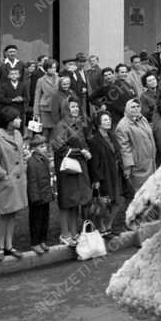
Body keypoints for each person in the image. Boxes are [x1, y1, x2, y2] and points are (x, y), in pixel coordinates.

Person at [0, 107, 27, 260]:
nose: (20, 121)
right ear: (9, 122)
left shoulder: (18, 134)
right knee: (2, 215)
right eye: (17, 118)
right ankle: (0, 247)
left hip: (17, 182)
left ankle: (9, 245)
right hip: (5, 183)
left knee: (12, 213)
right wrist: (4, 176)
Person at [50, 99, 93, 245]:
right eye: (72, 107)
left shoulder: (79, 124)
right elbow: (58, 147)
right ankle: (65, 233)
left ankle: (74, 233)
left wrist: (86, 151)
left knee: (76, 199)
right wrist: (79, 152)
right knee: (67, 200)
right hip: (66, 167)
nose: (75, 109)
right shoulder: (61, 126)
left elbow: (84, 142)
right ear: (65, 109)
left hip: (79, 166)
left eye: (76, 106)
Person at [87, 109, 125, 236]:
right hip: (104, 175)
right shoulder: (94, 140)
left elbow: (117, 153)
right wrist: (96, 179)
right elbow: (94, 162)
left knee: (116, 201)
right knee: (104, 202)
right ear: (98, 123)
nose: (108, 122)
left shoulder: (112, 136)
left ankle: (108, 225)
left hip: (114, 173)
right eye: (105, 120)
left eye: (109, 120)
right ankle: (101, 226)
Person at [115, 98, 155, 197]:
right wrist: (128, 168)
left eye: (138, 106)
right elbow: (125, 149)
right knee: (140, 195)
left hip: (150, 161)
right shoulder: (122, 126)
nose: (136, 109)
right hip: (138, 166)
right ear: (127, 108)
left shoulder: (143, 119)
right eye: (133, 107)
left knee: (151, 192)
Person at [26, 133, 54, 254]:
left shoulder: (44, 160)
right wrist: (34, 197)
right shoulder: (32, 162)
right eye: (41, 146)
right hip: (37, 197)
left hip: (45, 194)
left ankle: (43, 239)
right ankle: (35, 242)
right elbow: (32, 181)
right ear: (34, 149)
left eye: (45, 145)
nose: (45, 148)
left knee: (44, 219)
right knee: (36, 220)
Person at [33, 59, 60, 138]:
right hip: (45, 108)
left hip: (56, 108)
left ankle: (54, 148)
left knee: (56, 131)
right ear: (46, 68)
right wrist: (36, 112)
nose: (53, 70)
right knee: (45, 131)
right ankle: (44, 148)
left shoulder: (59, 78)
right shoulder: (41, 80)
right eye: (51, 68)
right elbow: (37, 97)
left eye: (54, 68)